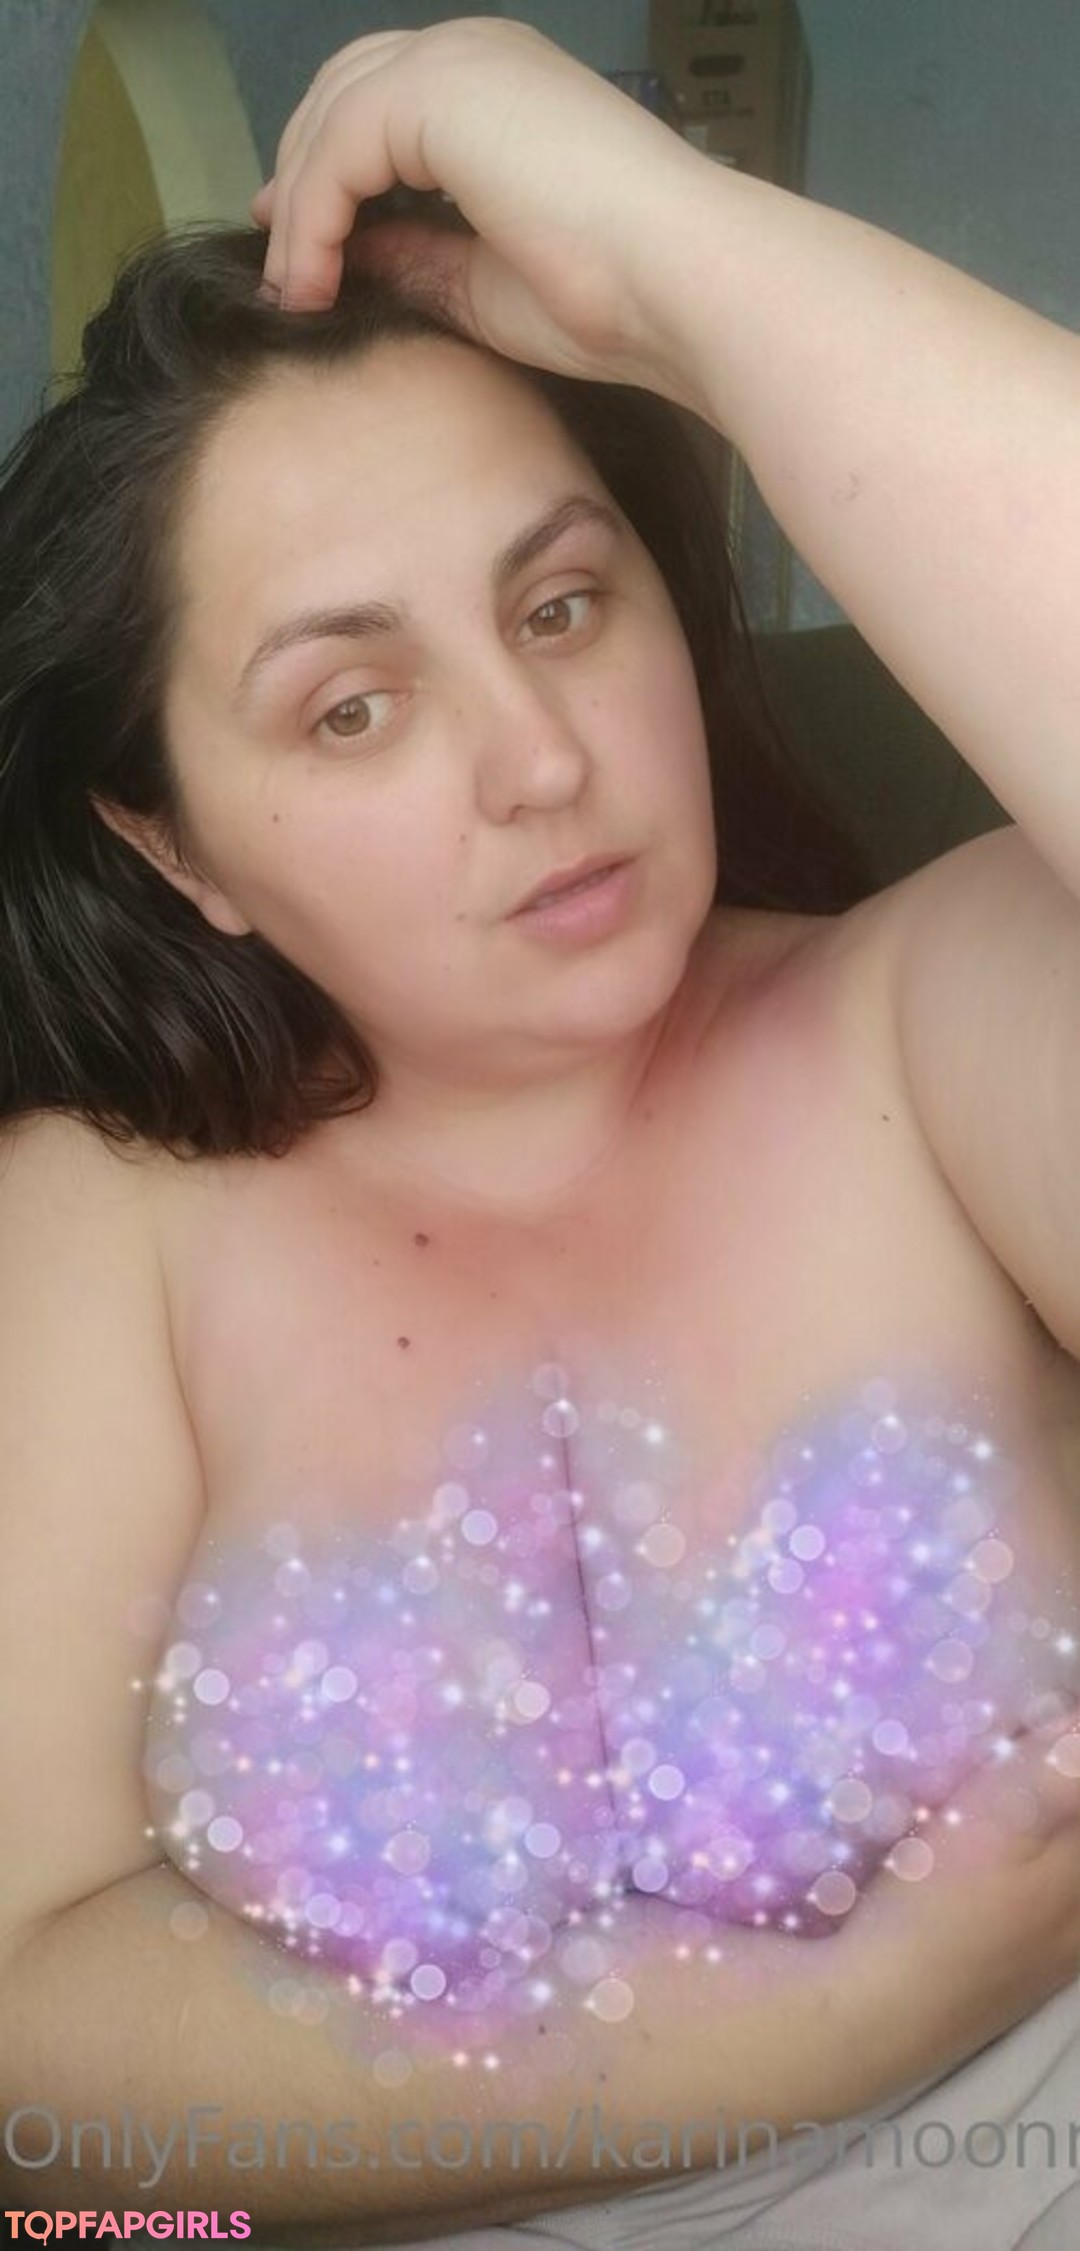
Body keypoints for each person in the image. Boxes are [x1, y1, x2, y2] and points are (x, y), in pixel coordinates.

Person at [1, 16, 1079, 2248]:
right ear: (174, 843)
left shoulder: (946, 1016)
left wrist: (676, 254)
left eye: (563, 603)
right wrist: (821, 2023)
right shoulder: (96, 1233)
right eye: (353, 706)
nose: (539, 760)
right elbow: (17, 2052)